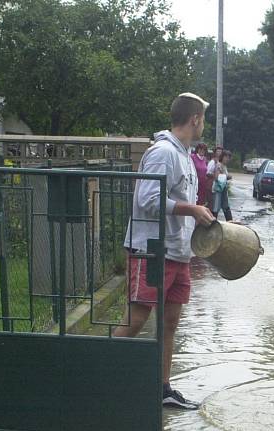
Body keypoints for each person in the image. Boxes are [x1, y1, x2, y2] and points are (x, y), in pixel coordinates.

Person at [114, 92, 215, 410]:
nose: (204, 126)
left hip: (177, 251)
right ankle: (96, 371)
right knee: (138, 317)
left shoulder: (184, 154)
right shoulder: (163, 152)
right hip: (153, 249)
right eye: (203, 120)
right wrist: (191, 210)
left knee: (170, 321)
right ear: (195, 119)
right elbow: (146, 200)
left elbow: (183, 205)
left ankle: (163, 389)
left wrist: (203, 217)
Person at [210, 150, 233, 221]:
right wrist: (227, 176)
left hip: (223, 189)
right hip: (218, 189)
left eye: (228, 157)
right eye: (226, 157)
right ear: (222, 157)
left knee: (226, 206)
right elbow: (216, 177)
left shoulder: (224, 166)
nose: (227, 159)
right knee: (216, 207)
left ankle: (230, 222)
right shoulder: (218, 165)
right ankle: (212, 224)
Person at [190, 142, 210, 206]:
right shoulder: (192, 157)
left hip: (203, 184)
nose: (202, 151)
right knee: (194, 200)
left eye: (204, 149)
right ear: (197, 149)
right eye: (200, 149)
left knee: (201, 201)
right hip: (195, 183)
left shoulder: (205, 159)